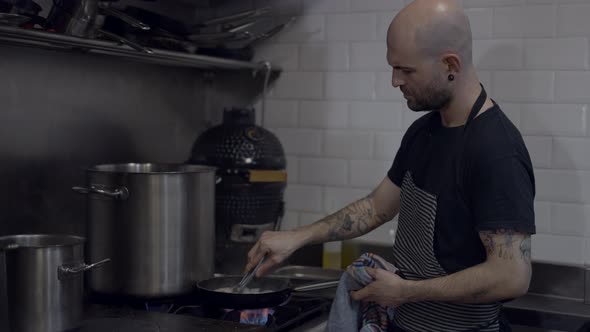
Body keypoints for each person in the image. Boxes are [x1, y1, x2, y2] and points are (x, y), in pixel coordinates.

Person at [245, 0, 535, 330]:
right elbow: (376, 207)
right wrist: (295, 238)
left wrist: (406, 292)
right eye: (393, 68)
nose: (395, 81)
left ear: (450, 64)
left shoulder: (495, 149)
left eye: (406, 70)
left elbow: (511, 276)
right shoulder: (424, 131)